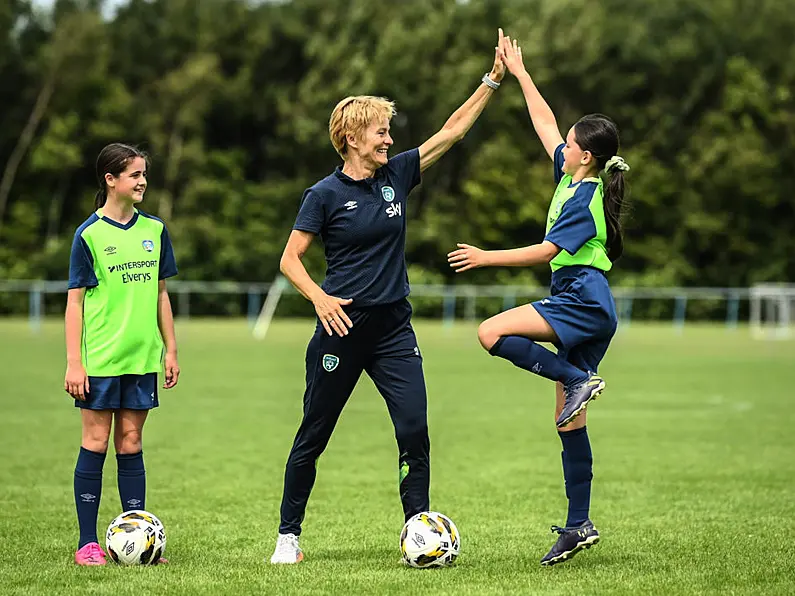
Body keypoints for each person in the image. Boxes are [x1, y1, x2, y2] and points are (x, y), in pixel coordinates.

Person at [269, 30, 508, 565]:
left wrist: (492, 80)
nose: (388, 139)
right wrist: (319, 299)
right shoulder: (324, 195)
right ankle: (289, 535)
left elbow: (450, 133)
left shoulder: (395, 175)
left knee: (414, 427)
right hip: (342, 330)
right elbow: (290, 259)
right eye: (380, 131)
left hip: (394, 330)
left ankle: (417, 529)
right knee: (314, 432)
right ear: (352, 137)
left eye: (389, 132)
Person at [448, 35, 630, 566]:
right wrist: (520, 73)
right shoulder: (573, 177)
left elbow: (545, 251)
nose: (562, 145)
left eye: (571, 143)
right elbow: (545, 124)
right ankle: (579, 525)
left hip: (582, 298)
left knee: (490, 332)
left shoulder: (586, 194)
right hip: (589, 305)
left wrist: (485, 258)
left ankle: (576, 378)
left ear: (587, 155)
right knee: (568, 422)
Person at [65, 143, 180, 566]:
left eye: (144, 174)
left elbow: (161, 295)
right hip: (100, 360)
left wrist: (170, 349)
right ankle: (87, 543)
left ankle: (140, 540)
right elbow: (75, 303)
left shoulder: (155, 231)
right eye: (134, 175)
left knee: (131, 443)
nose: (142, 181)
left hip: (142, 358)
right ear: (110, 180)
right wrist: (75, 362)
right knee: (95, 443)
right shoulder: (89, 235)